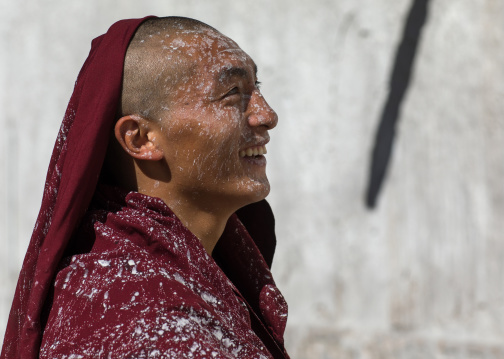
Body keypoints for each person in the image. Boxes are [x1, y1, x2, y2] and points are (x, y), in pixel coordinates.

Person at [1, 16, 289, 358]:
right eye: (232, 93)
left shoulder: (173, 279)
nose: (267, 115)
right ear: (140, 138)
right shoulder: (138, 317)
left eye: (257, 87)